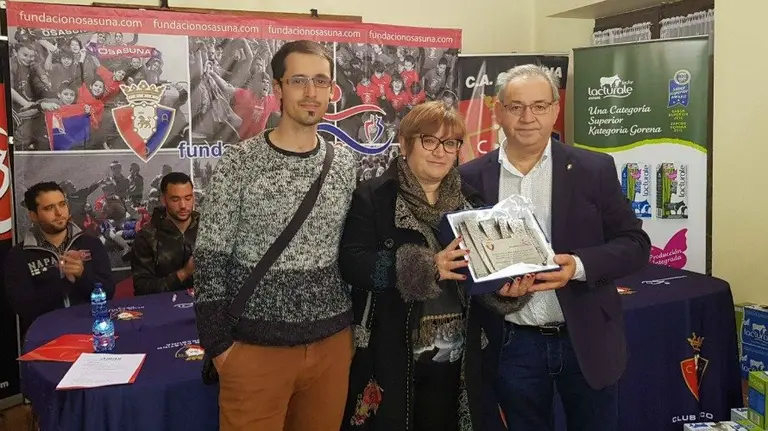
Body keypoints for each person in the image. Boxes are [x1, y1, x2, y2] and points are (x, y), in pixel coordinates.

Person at [459, 64, 651, 431]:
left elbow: (636, 244)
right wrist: (493, 285)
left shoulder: (593, 169)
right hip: (512, 344)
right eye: (515, 107)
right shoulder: (470, 177)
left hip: (585, 339)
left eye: (539, 106)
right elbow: (466, 256)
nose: (528, 117)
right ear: (497, 111)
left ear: (555, 109)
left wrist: (577, 266)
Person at [193, 40, 357, 431]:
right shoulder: (240, 162)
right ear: (278, 87)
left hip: (331, 345)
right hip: (254, 349)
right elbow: (210, 256)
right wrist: (220, 348)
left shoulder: (345, 164)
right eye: (299, 80)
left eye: (321, 81)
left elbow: (351, 251)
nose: (311, 92)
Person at [339, 101, 527, 431]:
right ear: (406, 142)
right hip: (391, 354)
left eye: (450, 143)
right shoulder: (374, 197)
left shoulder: (473, 202)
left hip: (459, 358)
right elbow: (354, 264)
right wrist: (424, 268)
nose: (440, 152)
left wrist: (506, 291)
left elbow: (479, 278)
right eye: (429, 140)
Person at [4, 182, 114, 338]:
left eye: (62, 204)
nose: (59, 213)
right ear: (33, 215)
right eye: (49, 208)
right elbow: (24, 308)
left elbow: (109, 293)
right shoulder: (18, 256)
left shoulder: (92, 244)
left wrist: (82, 275)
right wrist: (61, 279)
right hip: (46, 339)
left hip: (92, 334)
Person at [130, 172, 198, 296]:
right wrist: (183, 273)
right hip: (163, 311)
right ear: (163, 200)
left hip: (209, 309)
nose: (183, 206)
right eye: (175, 199)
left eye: (188, 198)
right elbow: (142, 289)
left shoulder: (209, 229)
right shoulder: (147, 236)